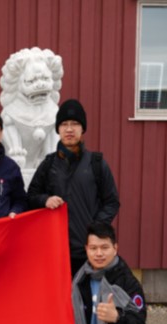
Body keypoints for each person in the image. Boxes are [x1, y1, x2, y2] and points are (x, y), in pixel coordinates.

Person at [27, 99, 120, 276]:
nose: (69, 129)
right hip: (56, 249)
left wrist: (94, 229)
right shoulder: (48, 164)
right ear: (58, 129)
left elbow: (112, 202)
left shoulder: (96, 163)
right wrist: (45, 200)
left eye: (75, 124)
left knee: (86, 293)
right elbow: (31, 197)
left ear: (82, 128)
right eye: (64, 124)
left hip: (88, 252)